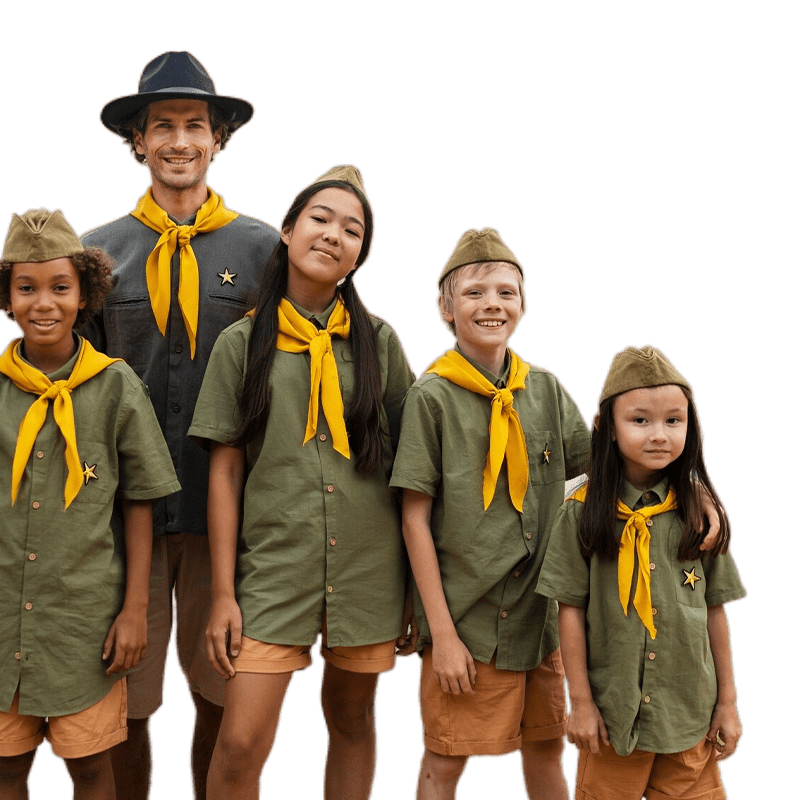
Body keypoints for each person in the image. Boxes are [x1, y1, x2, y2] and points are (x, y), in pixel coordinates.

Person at [83, 49, 280, 800]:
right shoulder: (97, 254)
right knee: (125, 699)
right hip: (120, 513)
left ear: (217, 139)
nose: (178, 141)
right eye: (160, 125)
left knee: (219, 689)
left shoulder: (264, 252)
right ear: (137, 142)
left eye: (193, 125)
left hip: (224, 512)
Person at [190, 164, 414, 800]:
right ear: (286, 231)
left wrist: (415, 591)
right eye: (320, 219)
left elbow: (409, 466)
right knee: (239, 742)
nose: (333, 235)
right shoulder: (241, 344)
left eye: (352, 229)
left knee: (352, 718)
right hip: (273, 569)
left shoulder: (380, 343)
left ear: (360, 255)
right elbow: (226, 471)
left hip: (370, 567)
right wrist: (224, 593)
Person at [0, 208, 179, 800]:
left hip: (87, 620)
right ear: (5, 296)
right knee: (3, 768)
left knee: (93, 769)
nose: (42, 303)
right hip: (0, 618)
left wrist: (134, 610)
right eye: (26, 288)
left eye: (59, 287)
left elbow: (139, 504)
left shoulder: (117, 386)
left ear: (86, 294)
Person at [390, 226, 588, 799]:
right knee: (447, 760)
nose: (492, 304)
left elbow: (601, 469)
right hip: (470, 622)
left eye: (505, 292)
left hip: (542, 620)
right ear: (446, 308)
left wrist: (691, 484)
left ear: (523, 305)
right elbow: (413, 520)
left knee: (548, 749)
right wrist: (443, 636)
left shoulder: (546, 391)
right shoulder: (432, 397)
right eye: (475, 292)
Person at [537, 344, 744, 800]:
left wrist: (727, 702)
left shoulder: (701, 515)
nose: (659, 435)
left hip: (688, 717)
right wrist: (582, 705)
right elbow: (569, 612)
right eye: (640, 420)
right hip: (612, 725)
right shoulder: (581, 514)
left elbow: (715, 610)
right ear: (608, 428)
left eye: (674, 420)